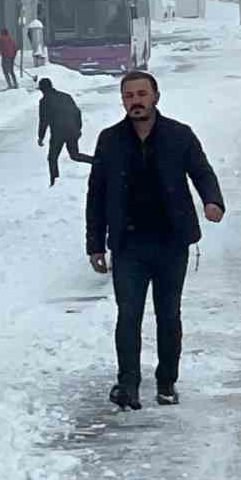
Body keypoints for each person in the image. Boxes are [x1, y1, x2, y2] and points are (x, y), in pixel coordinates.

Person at [85, 70, 225, 411]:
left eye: (141, 94)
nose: (136, 101)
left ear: (155, 96)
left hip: (171, 243)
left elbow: (202, 172)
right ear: (123, 101)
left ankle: (166, 382)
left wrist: (213, 201)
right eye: (129, 96)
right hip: (128, 245)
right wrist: (95, 243)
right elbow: (97, 193)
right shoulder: (110, 140)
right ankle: (128, 384)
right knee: (128, 314)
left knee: (168, 314)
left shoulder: (179, 135)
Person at [38, 78, 94, 185]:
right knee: (75, 155)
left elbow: (43, 121)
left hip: (58, 134)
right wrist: (78, 128)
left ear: (43, 90)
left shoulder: (44, 102)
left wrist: (41, 137)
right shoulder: (66, 96)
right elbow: (77, 112)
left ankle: (54, 182)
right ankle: (98, 162)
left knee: (52, 158)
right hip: (72, 131)